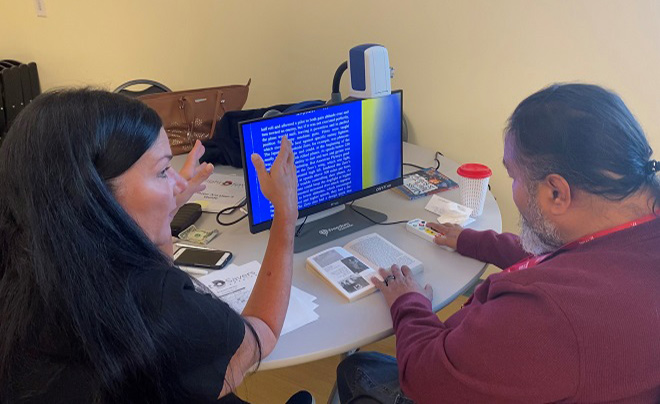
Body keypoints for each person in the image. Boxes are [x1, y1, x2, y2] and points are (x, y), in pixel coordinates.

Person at [336, 83, 660, 403]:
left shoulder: (549, 316)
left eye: (514, 176)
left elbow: (424, 379)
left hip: (442, 371)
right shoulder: (636, 228)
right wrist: (475, 241)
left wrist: (409, 303)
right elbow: (568, 259)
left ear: (556, 193)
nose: (514, 188)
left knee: (357, 367)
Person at [0, 89, 304, 403]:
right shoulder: (155, 302)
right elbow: (262, 334)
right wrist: (285, 215)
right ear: (98, 199)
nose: (178, 183)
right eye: (162, 171)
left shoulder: (24, 276)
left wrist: (159, 211)